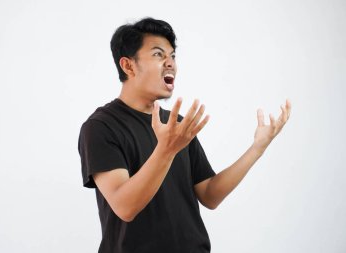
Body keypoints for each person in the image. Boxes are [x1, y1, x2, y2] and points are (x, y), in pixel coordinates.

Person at [78, 17, 291, 253]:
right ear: (128, 66)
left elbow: (210, 194)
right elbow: (125, 206)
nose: (170, 63)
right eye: (158, 55)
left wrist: (257, 148)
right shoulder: (101, 127)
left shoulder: (175, 125)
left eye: (173, 56)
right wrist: (166, 149)